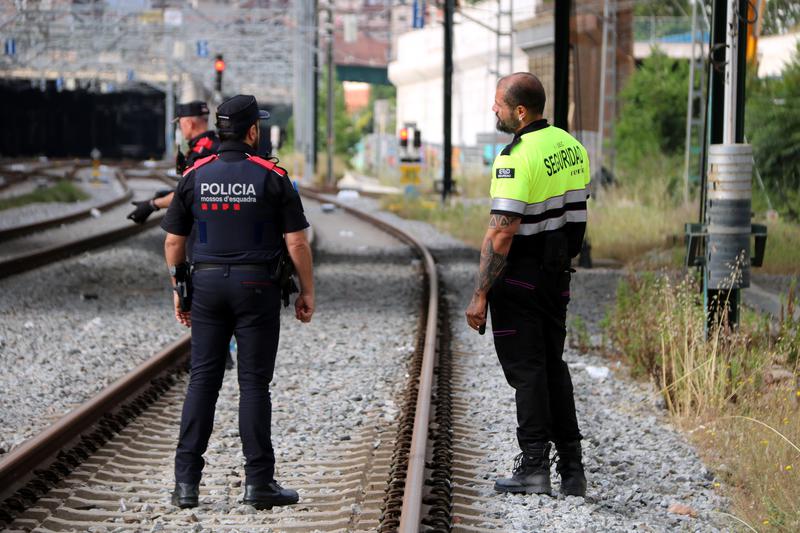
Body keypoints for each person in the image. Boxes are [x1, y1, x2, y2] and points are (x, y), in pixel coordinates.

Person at [161, 94, 315, 510]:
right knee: (253, 385)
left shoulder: (195, 175)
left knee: (203, 380)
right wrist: (307, 291)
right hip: (256, 288)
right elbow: (297, 241)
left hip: (207, 287)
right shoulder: (272, 176)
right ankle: (258, 483)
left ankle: (186, 484)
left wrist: (181, 287)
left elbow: (174, 242)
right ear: (252, 131)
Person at [465, 73, 590, 497]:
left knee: (527, 371)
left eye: (498, 103)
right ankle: (572, 469)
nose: (493, 109)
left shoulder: (515, 157)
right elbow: (575, 216)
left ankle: (534, 465)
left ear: (520, 111)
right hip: (558, 276)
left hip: (519, 277)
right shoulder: (570, 146)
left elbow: (502, 232)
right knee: (552, 365)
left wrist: (481, 293)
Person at [128, 100, 220, 224]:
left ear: (189, 123)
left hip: (205, 223)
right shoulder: (216, 144)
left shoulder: (200, 154)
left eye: (180, 124)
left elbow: (190, 195)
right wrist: (172, 193)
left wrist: (152, 204)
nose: (180, 129)